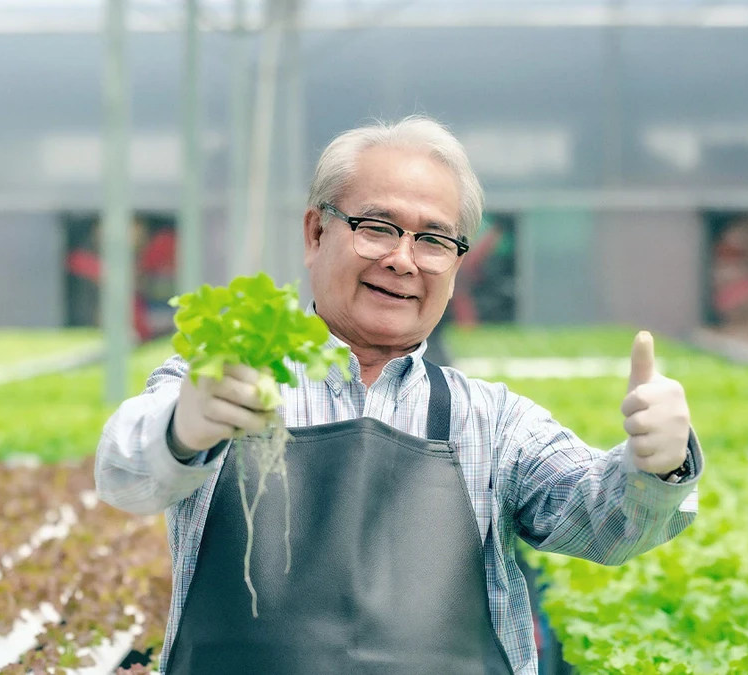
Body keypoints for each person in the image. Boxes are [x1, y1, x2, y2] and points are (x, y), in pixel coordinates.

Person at [94, 115, 704, 675]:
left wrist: (657, 466)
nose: (403, 260)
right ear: (315, 233)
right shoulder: (226, 386)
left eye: (434, 241)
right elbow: (128, 475)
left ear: (458, 262)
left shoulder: (492, 421)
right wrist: (184, 429)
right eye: (377, 228)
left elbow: (606, 524)